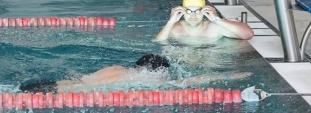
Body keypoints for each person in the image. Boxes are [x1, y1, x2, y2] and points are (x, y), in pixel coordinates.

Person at [20, 53, 251, 93]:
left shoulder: (118, 69)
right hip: (65, 96)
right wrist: (230, 76)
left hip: (56, 84)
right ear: (158, 71)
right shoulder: (149, 81)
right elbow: (194, 80)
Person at [154, 0, 253, 41]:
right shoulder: (175, 28)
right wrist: (171, 21)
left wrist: (217, 19)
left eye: (197, 11)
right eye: (189, 11)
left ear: (204, 11)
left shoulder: (214, 28)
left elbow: (248, 34)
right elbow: (158, 42)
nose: (193, 15)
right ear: (183, 12)